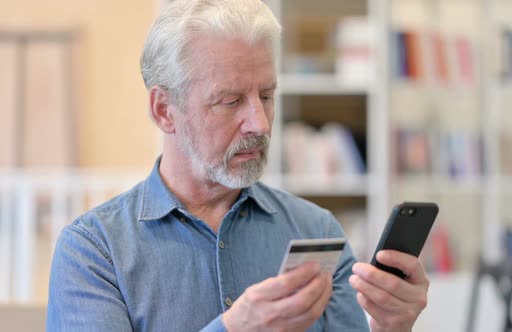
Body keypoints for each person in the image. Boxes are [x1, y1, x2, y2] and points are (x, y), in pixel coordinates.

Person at [46, 0, 429, 331]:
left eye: (266, 95)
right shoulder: (94, 251)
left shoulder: (316, 229)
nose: (260, 123)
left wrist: (391, 328)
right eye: (230, 101)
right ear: (164, 110)